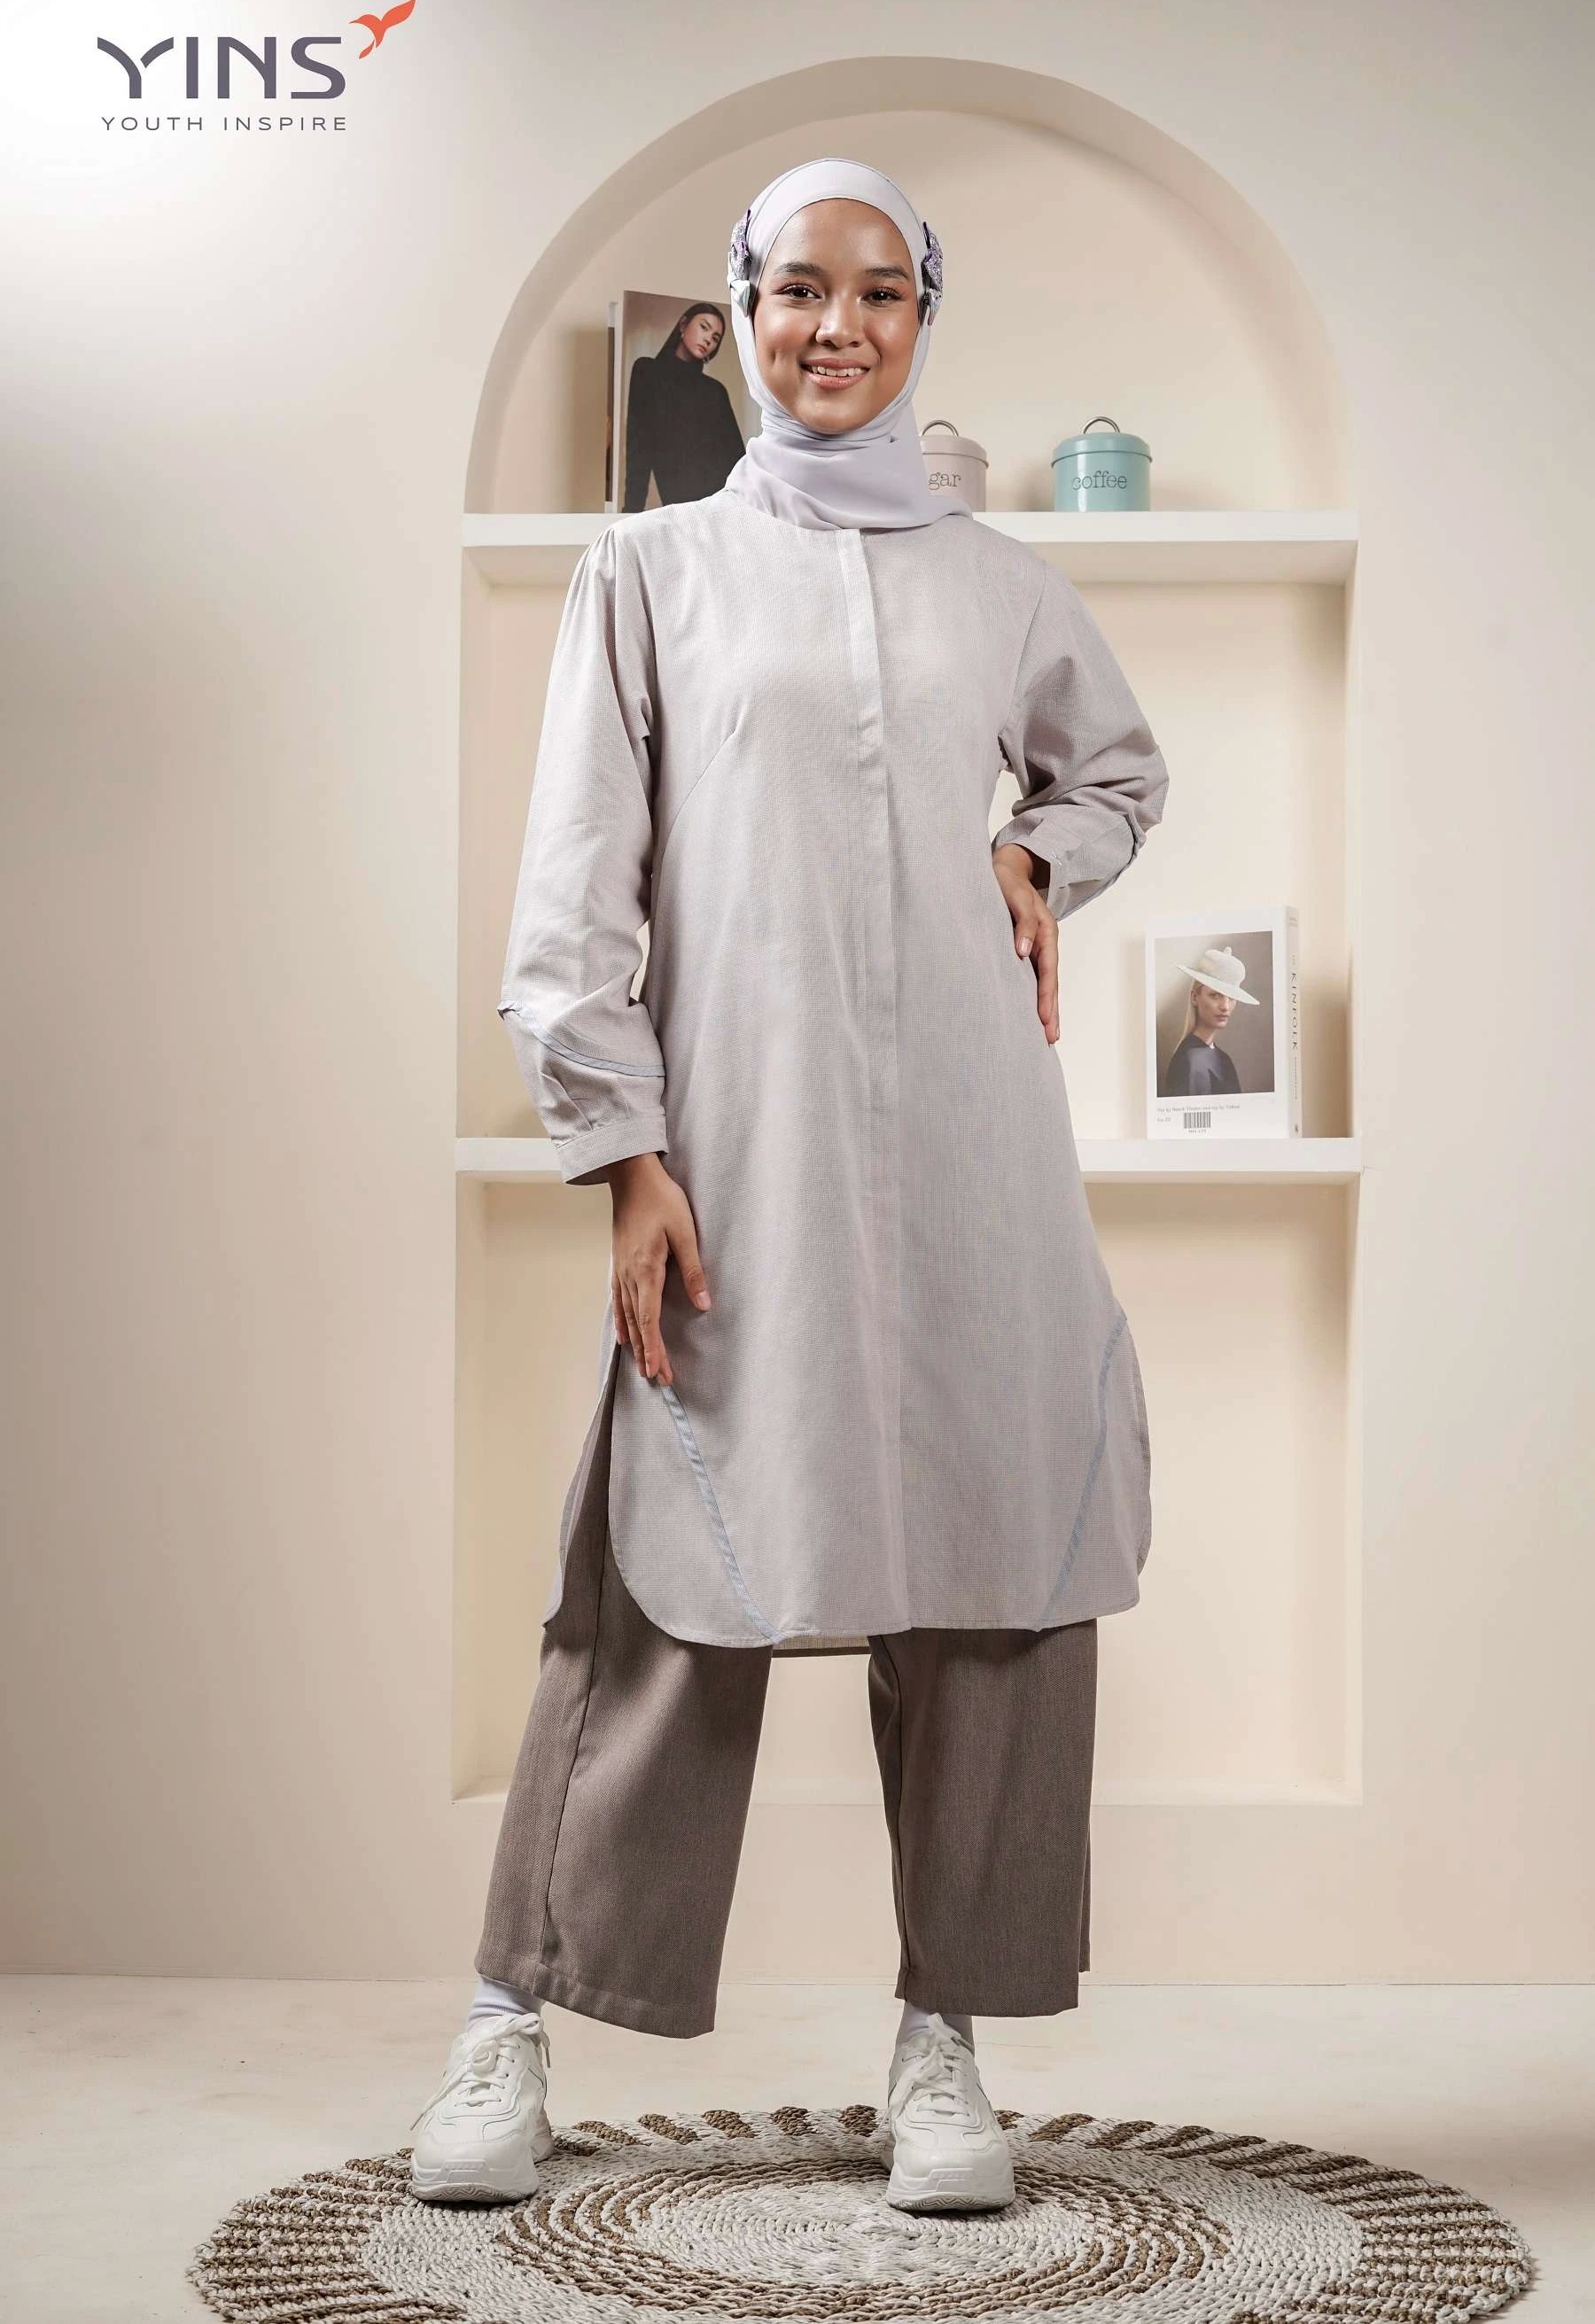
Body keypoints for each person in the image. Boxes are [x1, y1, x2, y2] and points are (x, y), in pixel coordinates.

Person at [408, 157, 1170, 2217]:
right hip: (737, 1145)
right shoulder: (650, 569)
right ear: (742, 308)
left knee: (994, 1576)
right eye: (799, 290)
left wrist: (1037, 855)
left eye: (880, 292)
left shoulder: (1001, 585)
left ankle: (946, 2037)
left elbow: (1113, 773)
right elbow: (577, 884)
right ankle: (511, 2016)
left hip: (974, 1163)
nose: (838, 327)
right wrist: (622, 1149)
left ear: (924, 315)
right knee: (664, 1574)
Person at [621, 302, 746, 509]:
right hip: (683, 508)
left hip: (722, 506)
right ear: (683, 325)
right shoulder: (647, 372)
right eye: (704, 327)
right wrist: (630, 512)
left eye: (715, 338)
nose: (708, 339)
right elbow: (638, 449)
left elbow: (737, 461)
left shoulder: (715, 391)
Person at [1163, 944, 1257, 1098]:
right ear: (1195, 997)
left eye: (1231, 998)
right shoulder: (1190, 1060)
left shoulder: (1223, 1059)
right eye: (1215, 995)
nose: (1225, 1006)